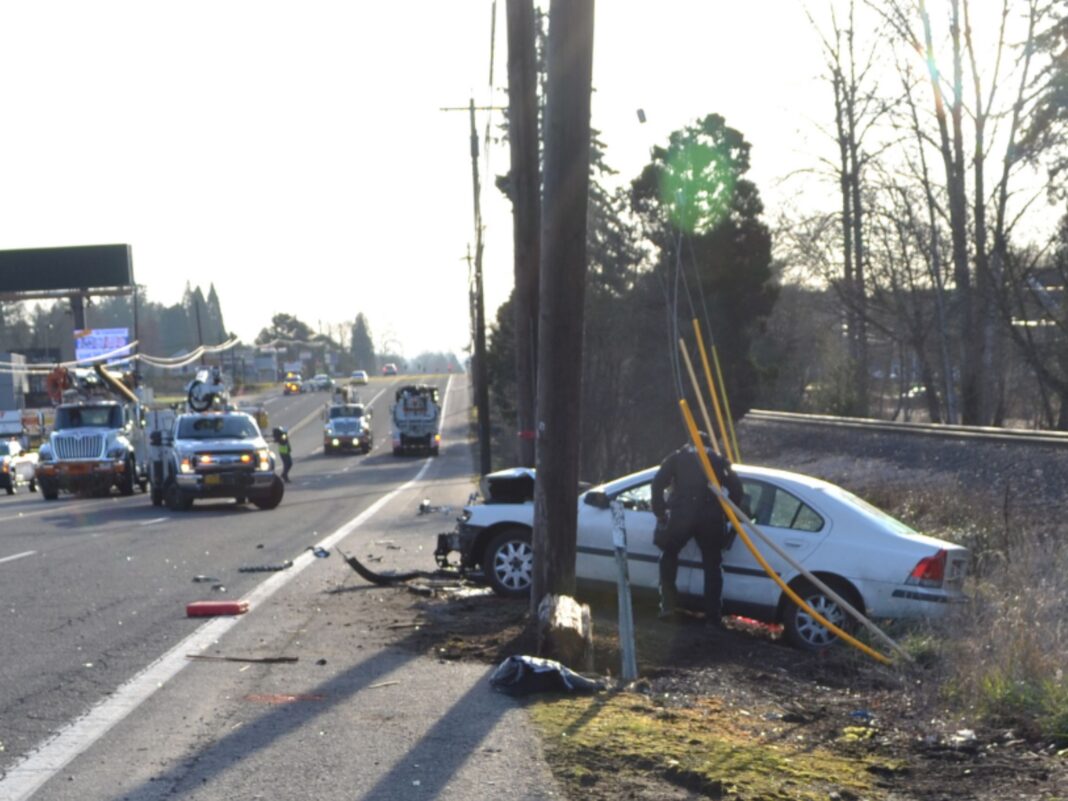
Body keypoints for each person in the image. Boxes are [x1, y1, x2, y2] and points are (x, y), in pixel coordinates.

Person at [651, 431, 744, 628]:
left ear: (689, 443)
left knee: (669, 554)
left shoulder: (676, 458)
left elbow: (657, 483)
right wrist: (726, 514)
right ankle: (713, 615)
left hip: (681, 516)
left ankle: (668, 605)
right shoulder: (719, 461)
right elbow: (737, 488)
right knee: (712, 564)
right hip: (710, 518)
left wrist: (660, 511)